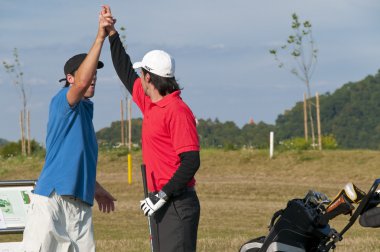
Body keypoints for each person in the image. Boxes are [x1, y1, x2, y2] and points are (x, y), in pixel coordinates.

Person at [102, 5, 201, 252]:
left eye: (142, 72)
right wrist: (112, 34)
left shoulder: (177, 110)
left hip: (176, 202)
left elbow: (191, 161)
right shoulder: (151, 104)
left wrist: (163, 195)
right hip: (159, 200)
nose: (138, 76)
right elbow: (125, 70)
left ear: (148, 77)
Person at [22, 7, 116, 252]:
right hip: (52, 200)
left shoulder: (86, 111)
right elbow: (82, 82)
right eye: (88, 72)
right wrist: (100, 37)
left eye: (96, 73)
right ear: (70, 78)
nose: (93, 76)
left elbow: (76, 157)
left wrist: (95, 187)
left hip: (80, 203)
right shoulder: (63, 100)